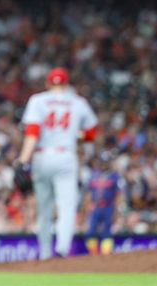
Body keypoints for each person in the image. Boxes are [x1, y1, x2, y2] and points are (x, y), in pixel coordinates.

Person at [15, 67, 98, 260]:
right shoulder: (77, 102)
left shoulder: (38, 100)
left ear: (48, 83)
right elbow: (92, 132)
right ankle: (62, 249)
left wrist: (22, 161)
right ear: (67, 84)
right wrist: (76, 135)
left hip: (42, 156)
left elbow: (33, 133)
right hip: (65, 156)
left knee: (44, 208)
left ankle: (44, 254)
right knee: (67, 205)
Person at [85, 155, 121, 255]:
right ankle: (94, 254)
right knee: (90, 232)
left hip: (108, 206)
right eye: (102, 162)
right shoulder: (94, 175)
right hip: (95, 206)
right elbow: (88, 193)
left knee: (106, 232)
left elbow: (118, 195)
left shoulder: (114, 176)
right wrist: (87, 207)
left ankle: (106, 256)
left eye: (106, 162)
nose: (104, 164)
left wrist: (116, 210)